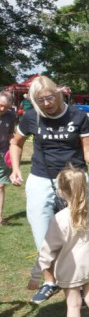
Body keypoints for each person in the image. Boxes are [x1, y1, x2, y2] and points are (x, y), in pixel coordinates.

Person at [9, 75, 89, 293]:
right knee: (41, 231)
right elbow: (16, 143)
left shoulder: (78, 116)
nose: (46, 104)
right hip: (41, 177)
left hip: (73, 178)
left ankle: (79, 276)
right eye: (39, 101)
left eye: (49, 98)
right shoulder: (31, 117)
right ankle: (49, 279)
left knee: (79, 229)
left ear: (59, 93)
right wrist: (15, 169)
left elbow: (87, 149)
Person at [35, 166, 89, 317]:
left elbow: (47, 249)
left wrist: (36, 274)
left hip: (70, 271)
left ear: (61, 191)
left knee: (73, 304)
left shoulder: (59, 218)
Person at [0, 91, 15, 225]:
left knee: (1, 185)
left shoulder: (10, 116)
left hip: (3, 153)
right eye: (0, 105)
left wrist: (13, 150)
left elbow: (11, 134)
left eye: (5, 106)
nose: (2, 109)